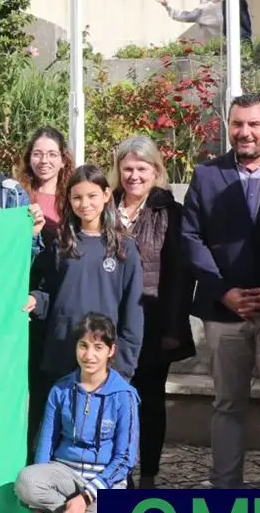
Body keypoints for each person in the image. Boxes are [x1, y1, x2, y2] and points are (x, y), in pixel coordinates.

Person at [180, 93, 260, 490]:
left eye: (254, 124)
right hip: (225, 314)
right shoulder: (207, 175)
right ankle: (225, 490)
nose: (245, 132)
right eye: (238, 124)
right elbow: (190, 237)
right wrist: (222, 291)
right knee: (226, 406)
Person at [13, 313, 138, 513]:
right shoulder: (61, 389)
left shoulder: (124, 396)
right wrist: (42, 476)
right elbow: (46, 441)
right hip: (66, 474)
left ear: (111, 351)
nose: (89, 355)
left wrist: (88, 496)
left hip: (105, 481)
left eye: (98, 347)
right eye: (83, 346)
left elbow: (124, 459)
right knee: (26, 481)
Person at [112, 136, 193, 489]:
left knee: (149, 399)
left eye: (141, 168)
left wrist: (174, 326)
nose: (133, 175)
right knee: (114, 398)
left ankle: (148, 474)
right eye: (127, 168)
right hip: (109, 321)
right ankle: (118, 471)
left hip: (152, 320)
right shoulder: (105, 206)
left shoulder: (169, 213)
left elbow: (179, 274)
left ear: (156, 171)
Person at [27, 164, 143, 380]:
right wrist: (35, 299)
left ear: (106, 195)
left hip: (102, 358)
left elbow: (133, 310)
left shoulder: (123, 248)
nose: (85, 204)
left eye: (92, 196)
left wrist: (124, 364)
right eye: (77, 198)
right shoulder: (62, 243)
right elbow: (49, 292)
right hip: (62, 352)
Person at [18, 127, 69, 236]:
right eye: (37, 154)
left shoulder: (72, 196)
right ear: (29, 159)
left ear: (63, 161)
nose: (44, 161)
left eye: (52, 154)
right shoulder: (17, 195)